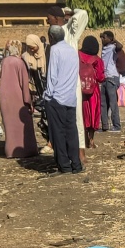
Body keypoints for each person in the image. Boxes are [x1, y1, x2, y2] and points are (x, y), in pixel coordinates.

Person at [43, 24, 82, 174]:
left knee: (58, 133)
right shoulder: (72, 50)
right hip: (70, 98)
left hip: (57, 98)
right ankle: (76, 164)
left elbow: (52, 75)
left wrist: (47, 96)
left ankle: (64, 166)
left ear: (51, 37)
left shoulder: (54, 49)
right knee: (71, 132)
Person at [0, 40, 37, 158]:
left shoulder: (4, 62)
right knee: (23, 125)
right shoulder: (19, 63)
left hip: (4, 98)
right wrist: (28, 101)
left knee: (9, 126)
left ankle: (10, 151)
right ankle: (26, 151)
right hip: (18, 99)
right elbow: (24, 84)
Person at [78, 36, 105, 149]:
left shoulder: (77, 55)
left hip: (79, 90)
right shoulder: (97, 60)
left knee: (81, 114)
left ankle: (82, 139)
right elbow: (100, 77)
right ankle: (91, 140)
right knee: (93, 114)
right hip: (93, 92)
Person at [99, 31, 121, 132]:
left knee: (113, 103)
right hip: (104, 77)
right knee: (103, 103)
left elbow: (120, 46)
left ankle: (117, 125)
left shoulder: (113, 47)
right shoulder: (104, 48)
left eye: (104, 38)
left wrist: (114, 40)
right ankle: (105, 126)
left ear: (110, 39)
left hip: (112, 77)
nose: (102, 39)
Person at [22, 33, 46, 101]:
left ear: (37, 43)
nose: (31, 50)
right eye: (29, 48)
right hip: (36, 90)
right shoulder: (26, 56)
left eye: (33, 47)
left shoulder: (47, 52)